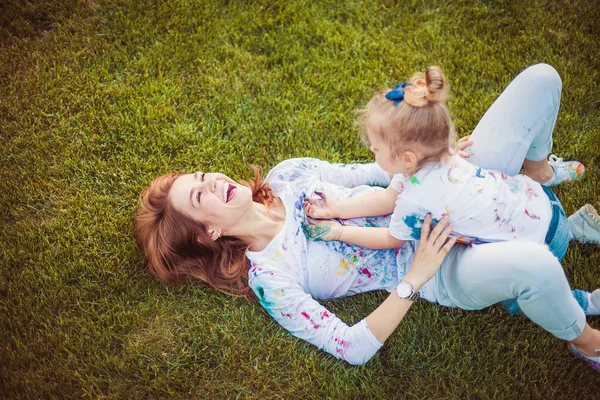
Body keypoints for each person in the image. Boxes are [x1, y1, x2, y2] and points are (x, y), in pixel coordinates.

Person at [132, 64, 600, 369]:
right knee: (536, 268)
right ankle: (585, 342)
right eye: (199, 196)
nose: (212, 180)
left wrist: (433, 158)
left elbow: (368, 173)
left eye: (200, 174)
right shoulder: (271, 278)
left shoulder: (289, 175)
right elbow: (351, 346)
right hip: (437, 269)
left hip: (436, 193)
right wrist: (414, 279)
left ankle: (538, 173)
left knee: (541, 79)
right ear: (209, 231)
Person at [302, 66, 589, 262]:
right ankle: (575, 227)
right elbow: (388, 197)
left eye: (375, 148)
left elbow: (391, 238)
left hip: (545, 247)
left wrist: (338, 230)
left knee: (495, 271)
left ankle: (565, 278)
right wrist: (338, 209)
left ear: (408, 158)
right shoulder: (443, 156)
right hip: (541, 200)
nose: (371, 150)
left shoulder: (415, 199)